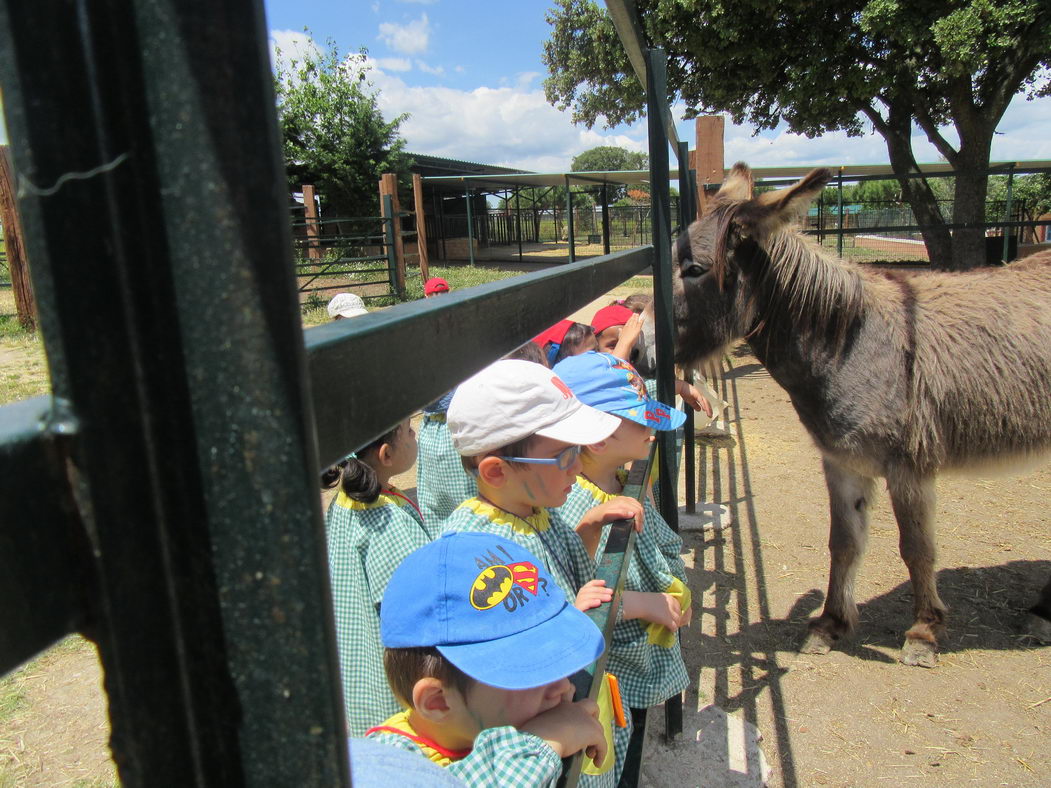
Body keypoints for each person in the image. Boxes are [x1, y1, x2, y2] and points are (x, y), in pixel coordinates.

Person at [442, 359, 645, 786]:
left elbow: (563, 573)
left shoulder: (535, 512)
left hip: (569, 709)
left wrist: (587, 527)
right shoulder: (480, 551)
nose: (578, 466)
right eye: (565, 455)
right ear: (496, 471)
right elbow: (498, 656)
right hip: (534, 741)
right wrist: (569, 615)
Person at [366, 531, 610, 787]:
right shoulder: (387, 764)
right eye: (529, 673)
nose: (563, 685)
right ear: (437, 702)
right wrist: (540, 743)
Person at [552, 352, 693, 774]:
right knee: (614, 757)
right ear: (597, 437)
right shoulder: (571, 504)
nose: (652, 430)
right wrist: (643, 604)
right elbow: (570, 592)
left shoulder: (618, 478)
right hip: (609, 671)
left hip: (632, 658)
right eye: (640, 420)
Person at [324, 419, 439, 736]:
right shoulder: (385, 520)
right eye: (408, 431)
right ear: (386, 454)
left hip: (356, 684)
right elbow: (416, 608)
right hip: (394, 691)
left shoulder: (345, 503)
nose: (415, 434)